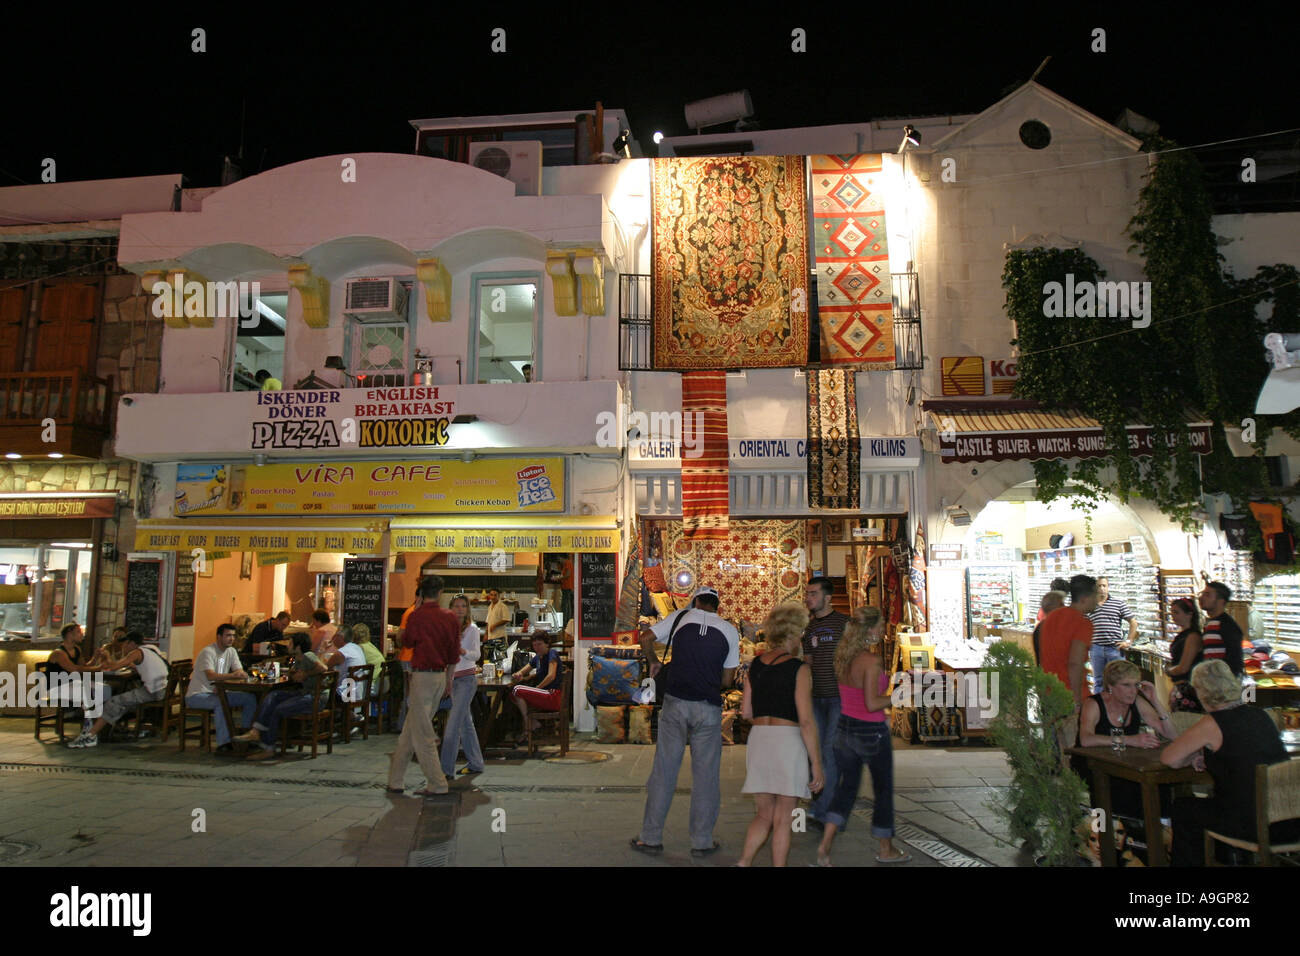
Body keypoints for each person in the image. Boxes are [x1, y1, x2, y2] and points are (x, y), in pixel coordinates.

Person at [630, 586, 739, 857]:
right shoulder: (729, 630)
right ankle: (701, 843)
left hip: (676, 704)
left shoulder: (680, 617)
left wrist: (654, 662)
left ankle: (650, 838)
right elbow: (727, 680)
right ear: (717, 606)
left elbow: (645, 637)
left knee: (664, 772)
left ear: (695, 602)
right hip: (708, 709)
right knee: (706, 777)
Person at [1162, 660, 1300, 865]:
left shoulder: (1213, 722)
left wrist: (1195, 756)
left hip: (1254, 825)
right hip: (1290, 822)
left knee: (1183, 808)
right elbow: (1243, 754)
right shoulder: (1262, 715)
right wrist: (1210, 758)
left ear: (1201, 692)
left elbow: (1169, 759)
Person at [816, 606, 909, 866]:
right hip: (871, 733)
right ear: (869, 630)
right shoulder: (871, 661)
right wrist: (898, 696)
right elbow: (871, 702)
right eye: (880, 625)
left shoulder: (843, 657)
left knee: (846, 790)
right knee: (883, 790)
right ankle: (886, 849)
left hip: (844, 729)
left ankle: (824, 847)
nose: (883, 629)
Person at [737, 603, 823, 867]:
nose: (802, 638)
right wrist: (817, 764)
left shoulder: (755, 666)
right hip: (788, 742)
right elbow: (806, 721)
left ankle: (743, 862)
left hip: (760, 739)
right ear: (792, 633)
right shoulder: (800, 669)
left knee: (764, 815)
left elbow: (746, 712)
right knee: (784, 818)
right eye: (801, 633)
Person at [387, 576, 461, 796]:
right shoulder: (449, 618)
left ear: (420, 594)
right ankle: (396, 780)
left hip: (421, 677)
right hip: (440, 677)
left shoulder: (416, 616)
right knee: (410, 731)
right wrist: (448, 680)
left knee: (423, 733)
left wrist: (414, 611)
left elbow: (405, 641)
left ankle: (438, 784)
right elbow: (453, 655)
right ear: (440, 592)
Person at [1076, 659, 1177, 820]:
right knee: (1123, 789)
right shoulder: (1093, 703)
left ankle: (1152, 835)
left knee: (1160, 787)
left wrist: (1155, 701)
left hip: (1124, 762)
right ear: (1111, 686)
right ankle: (1113, 835)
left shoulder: (1137, 702)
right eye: (1126, 685)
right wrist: (1129, 740)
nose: (1132, 691)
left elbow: (1171, 734)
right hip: (1093, 765)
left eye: (1136, 685)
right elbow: (1086, 739)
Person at [797, 576, 849, 829]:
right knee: (813, 751)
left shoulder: (844, 624)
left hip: (839, 698)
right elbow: (808, 663)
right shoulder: (808, 628)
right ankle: (821, 804)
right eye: (807, 593)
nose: (808, 598)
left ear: (828, 598)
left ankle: (826, 811)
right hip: (815, 699)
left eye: (813, 593)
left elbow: (856, 656)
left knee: (828, 751)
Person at [68, 632, 168, 749]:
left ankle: (90, 735)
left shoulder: (136, 653)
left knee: (114, 701)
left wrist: (106, 657)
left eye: (125, 644)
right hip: (163, 688)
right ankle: (114, 729)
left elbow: (113, 667)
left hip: (154, 691)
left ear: (131, 643)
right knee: (122, 701)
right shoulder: (151, 649)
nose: (123, 646)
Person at [237, 632, 327, 760]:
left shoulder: (308, 655)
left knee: (278, 709)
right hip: (305, 693)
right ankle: (256, 730)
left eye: (290, 643)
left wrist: (306, 674)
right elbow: (294, 676)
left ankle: (269, 748)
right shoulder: (298, 659)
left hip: (315, 698)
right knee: (274, 695)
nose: (288, 645)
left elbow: (323, 668)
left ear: (298, 647)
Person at [184, 624, 257, 752]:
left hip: (219, 692)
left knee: (249, 698)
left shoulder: (231, 651)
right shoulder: (208, 652)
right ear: (219, 637)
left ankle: (247, 735)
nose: (231, 639)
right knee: (221, 703)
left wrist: (240, 674)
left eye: (233, 636)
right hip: (198, 694)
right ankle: (224, 743)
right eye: (228, 635)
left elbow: (239, 671)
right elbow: (211, 676)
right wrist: (233, 676)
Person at [1037, 574, 1099, 710]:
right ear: (1084, 599)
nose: (1097, 601)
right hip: (1070, 694)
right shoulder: (1083, 623)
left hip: (1049, 691)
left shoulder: (1052, 617)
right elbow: (1075, 663)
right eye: (1095, 596)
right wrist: (1077, 701)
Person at [441, 594, 486, 778]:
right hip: (451, 678)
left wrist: (463, 651)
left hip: (466, 680)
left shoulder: (472, 630)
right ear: (450, 608)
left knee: (452, 727)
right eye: (456, 606)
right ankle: (476, 762)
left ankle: (445, 771)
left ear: (467, 609)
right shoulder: (448, 628)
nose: (459, 609)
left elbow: (476, 655)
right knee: (466, 724)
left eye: (463, 606)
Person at [510, 631, 563, 745]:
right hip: (545, 694)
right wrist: (518, 674)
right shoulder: (538, 657)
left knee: (517, 690)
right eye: (534, 645)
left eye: (539, 644)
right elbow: (524, 670)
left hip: (553, 695)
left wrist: (537, 688)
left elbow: (551, 676)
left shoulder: (552, 654)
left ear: (547, 644)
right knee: (511, 693)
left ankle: (528, 726)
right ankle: (532, 722)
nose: (536, 647)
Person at [1087, 576, 1137, 693]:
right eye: (1099, 586)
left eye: (1104, 585)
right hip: (1097, 649)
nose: (1102, 588)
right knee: (1099, 681)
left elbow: (1133, 622)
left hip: (1115, 648)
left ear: (1108, 587)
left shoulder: (1118, 604)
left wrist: (1128, 641)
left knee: (1120, 680)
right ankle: (1100, 708)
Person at [1164, 598, 1205, 712]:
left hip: (1189, 688)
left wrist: (1169, 670)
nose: (1173, 616)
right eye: (1172, 612)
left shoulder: (1192, 636)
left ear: (1189, 614)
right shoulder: (1185, 635)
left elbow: (1183, 668)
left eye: (1176, 612)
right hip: (1182, 687)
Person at [1197, 582, 1245, 677]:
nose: (1201, 598)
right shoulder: (1210, 623)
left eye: (1207, 594)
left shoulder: (1226, 625)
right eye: (1202, 594)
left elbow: (1235, 659)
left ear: (1221, 601)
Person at [1032, 590, 1067, 664]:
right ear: (1052, 607)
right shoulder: (1049, 628)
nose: (1064, 607)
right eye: (1061, 604)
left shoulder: (1044, 626)